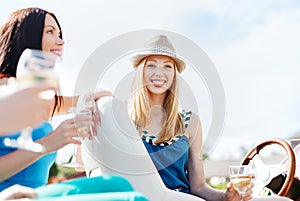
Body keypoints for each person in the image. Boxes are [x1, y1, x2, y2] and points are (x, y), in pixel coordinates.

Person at [127, 35, 292, 201]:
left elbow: (198, 187)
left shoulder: (190, 122)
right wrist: (99, 98)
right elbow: (103, 100)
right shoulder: (124, 118)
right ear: (141, 70)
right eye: (151, 65)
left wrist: (226, 197)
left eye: (167, 66)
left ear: (174, 75)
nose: (159, 73)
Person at [0, 7, 107, 191]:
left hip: (35, 195)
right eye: (50, 32)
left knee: (116, 184)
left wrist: (94, 102)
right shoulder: (5, 93)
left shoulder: (40, 101)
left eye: (60, 34)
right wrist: (47, 143)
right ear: (26, 35)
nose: (61, 41)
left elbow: (84, 98)